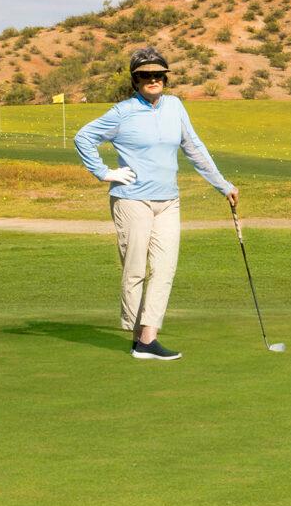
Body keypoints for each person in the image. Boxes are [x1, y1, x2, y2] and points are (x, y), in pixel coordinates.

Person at [73, 47, 238, 361]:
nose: (152, 79)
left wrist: (223, 185)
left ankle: (149, 338)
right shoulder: (122, 112)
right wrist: (105, 173)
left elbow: (194, 148)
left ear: (165, 77)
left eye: (158, 74)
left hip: (168, 201)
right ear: (135, 80)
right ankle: (137, 337)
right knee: (135, 270)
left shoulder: (174, 106)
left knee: (164, 268)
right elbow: (83, 138)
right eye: (145, 75)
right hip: (132, 201)